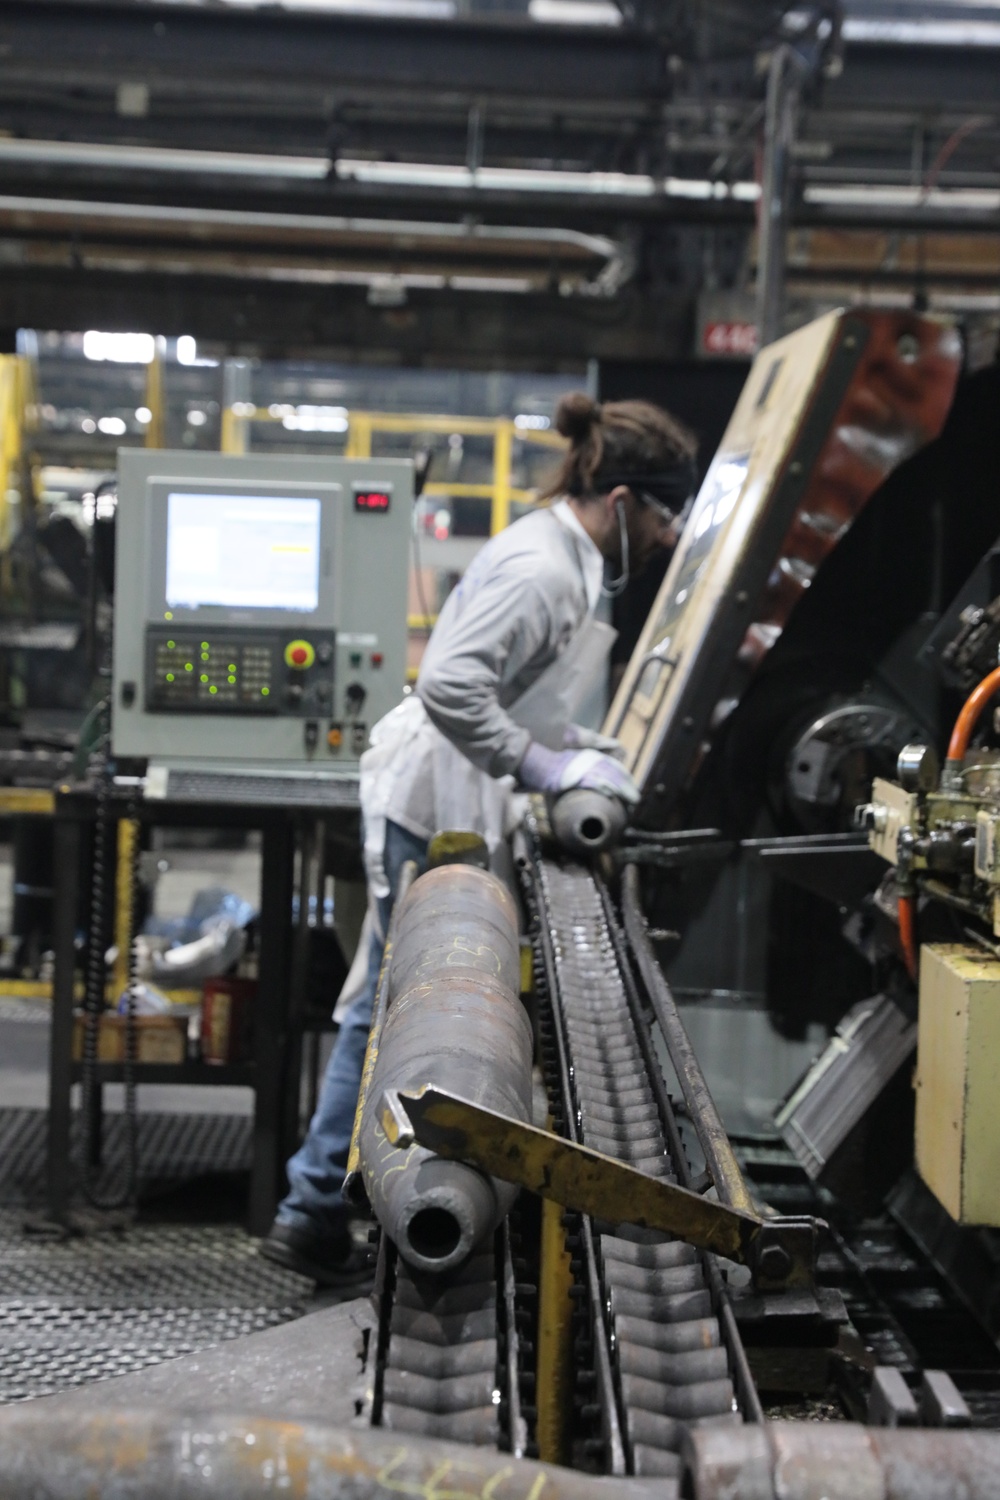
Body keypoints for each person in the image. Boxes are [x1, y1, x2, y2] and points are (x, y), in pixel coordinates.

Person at [260, 391, 698, 1285]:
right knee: (405, 1003)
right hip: (428, 797)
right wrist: (538, 767)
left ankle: (318, 1203)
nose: (666, 537)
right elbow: (455, 685)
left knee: (388, 998)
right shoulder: (543, 569)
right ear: (621, 503)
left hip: (452, 792)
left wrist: (574, 746)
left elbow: (513, 691)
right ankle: (320, 1206)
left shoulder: (563, 560)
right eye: (662, 515)